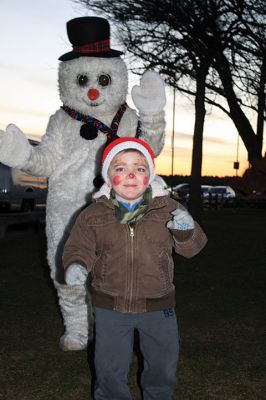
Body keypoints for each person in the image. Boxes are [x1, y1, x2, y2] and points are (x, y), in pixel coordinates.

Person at [63, 137, 207, 400]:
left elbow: (193, 249)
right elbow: (78, 246)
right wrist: (76, 264)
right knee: (108, 368)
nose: (130, 174)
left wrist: (186, 232)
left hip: (159, 305)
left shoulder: (169, 209)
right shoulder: (93, 215)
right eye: (120, 168)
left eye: (139, 168)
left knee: (163, 365)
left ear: (150, 174)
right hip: (111, 306)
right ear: (107, 176)